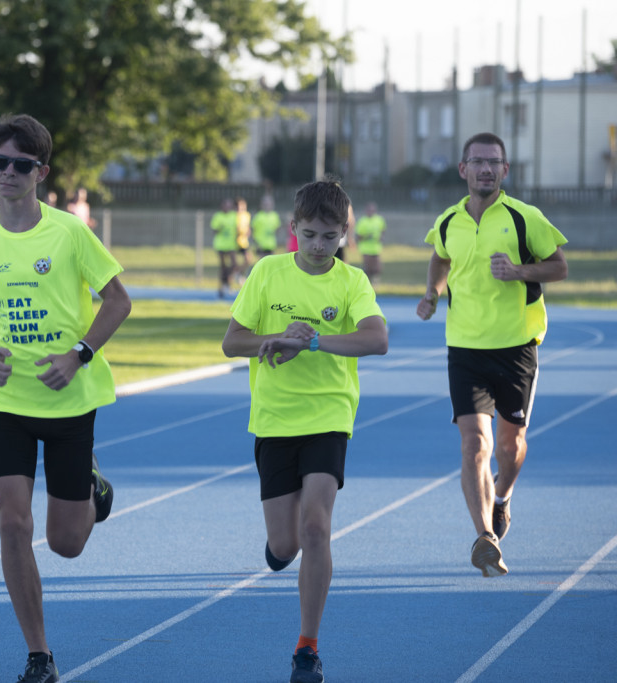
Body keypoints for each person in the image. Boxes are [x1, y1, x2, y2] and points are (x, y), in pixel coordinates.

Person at [0, 114, 131, 683]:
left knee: (65, 544)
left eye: (21, 165)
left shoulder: (69, 233)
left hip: (69, 401)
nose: (8, 173)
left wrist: (78, 355)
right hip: (8, 405)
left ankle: (93, 486)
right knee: (12, 523)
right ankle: (39, 655)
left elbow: (118, 301)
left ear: (41, 172)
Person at [221, 179, 387, 683]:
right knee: (288, 545)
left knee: (317, 526)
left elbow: (376, 339)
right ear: (293, 229)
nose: (318, 246)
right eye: (309, 235)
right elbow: (232, 342)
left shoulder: (351, 282)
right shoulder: (268, 272)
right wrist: (278, 338)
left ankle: (307, 649)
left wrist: (312, 343)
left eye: (329, 237)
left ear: (345, 235)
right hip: (274, 420)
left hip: (328, 416)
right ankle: (278, 550)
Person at [416, 132, 568, 578]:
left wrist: (520, 271)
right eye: (477, 161)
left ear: (505, 170)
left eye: (494, 162)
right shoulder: (448, 221)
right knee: (474, 444)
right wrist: (431, 293)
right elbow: (440, 258)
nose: (486, 169)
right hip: (464, 347)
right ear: (463, 169)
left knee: (509, 444)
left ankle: (501, 497)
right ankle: (485, 537)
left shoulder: (525, 218)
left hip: (517, 347)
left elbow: (559, 266)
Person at [354, 202, 386, 284]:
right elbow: (358, 237)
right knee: (368, 268)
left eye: (373, 210)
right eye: (369, 210)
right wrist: (367, 236)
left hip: (376, 248)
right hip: (366, 249)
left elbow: (383, 229)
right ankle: (367, 283)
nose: (371, 212)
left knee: (377, 268)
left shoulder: (379, 220)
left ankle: (376, 283)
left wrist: (381, 237)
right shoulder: (362, 221)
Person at [211, 197, 238, 298]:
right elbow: (214, 230)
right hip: (221, 245)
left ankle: (227, 280)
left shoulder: (233, 216)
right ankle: (221, 288)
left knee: (234, 265)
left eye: (229, 205)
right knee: (223, 267)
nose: (227, 207)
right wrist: (220, 228)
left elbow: (238, 228)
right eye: (226, 205)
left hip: (231, 245)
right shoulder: (218, 216)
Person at [251, 194, 280, 259]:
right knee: (262, 262)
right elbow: (253, 229)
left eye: (269, 204)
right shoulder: (258, 216)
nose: (267, 205)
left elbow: (277, 228)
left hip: (271, 244)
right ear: (262, 205)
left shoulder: (274, 216)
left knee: (271, 262)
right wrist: (255, 241)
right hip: (260, 245)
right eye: (265, 204)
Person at [235, 196, 253, 279]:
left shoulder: (247, 215)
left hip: (243, 242)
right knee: (233, 262)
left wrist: (248, 232)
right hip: (235, 242)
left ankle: (239, 273)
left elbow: (248, 227)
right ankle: (236, 275)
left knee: (248, 259)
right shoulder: (234, 216)